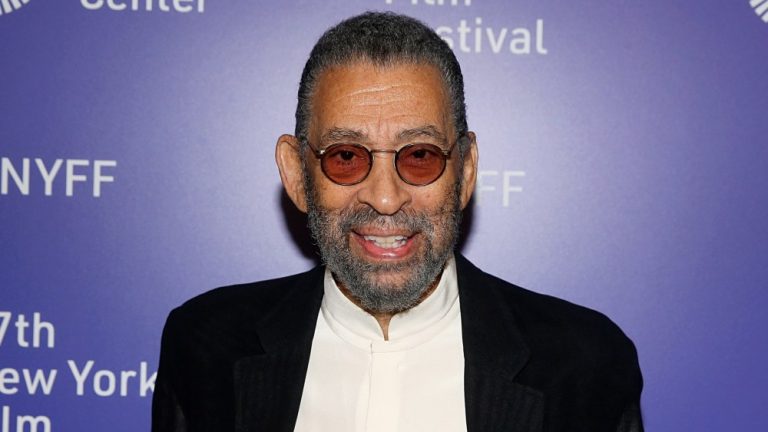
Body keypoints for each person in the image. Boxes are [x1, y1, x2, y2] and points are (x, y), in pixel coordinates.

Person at [152, 11, 643, 432]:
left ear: (465, 171)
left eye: (420, 155)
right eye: (346, 156)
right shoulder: (205, 347)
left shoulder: (584, 366)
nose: (385, 198)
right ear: (296, 174)